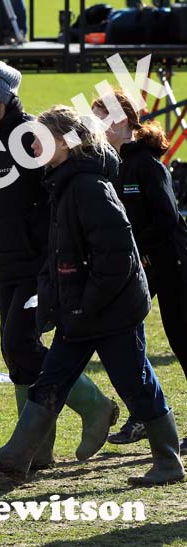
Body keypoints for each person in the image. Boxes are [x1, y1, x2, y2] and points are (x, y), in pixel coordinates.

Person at [0, 105, 184, 486]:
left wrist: (88, 302)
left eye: (39, 138)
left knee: (135, 383)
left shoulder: (88, 186)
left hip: (110, 308)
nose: (31, 144)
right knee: (51, 378)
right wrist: (55, 300)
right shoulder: (62, 181)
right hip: (82, 307)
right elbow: (60, 253)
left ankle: (168, 461)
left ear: (66, 141)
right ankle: (18, 455)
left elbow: (116, 255)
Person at [0, 61, 118, 468]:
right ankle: (38, 451)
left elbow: (68, 193)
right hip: (7, 268)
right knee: (18, 353)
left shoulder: (35, 138)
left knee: (20, 344)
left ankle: (93, 409)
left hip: (43, 268)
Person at [92, 90, 187, 451]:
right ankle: (144, 414)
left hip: (172, 262)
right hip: (141, 263)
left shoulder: (147, 163)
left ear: (119, 120)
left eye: (99, 116)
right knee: (121, 335)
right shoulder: (110, 163)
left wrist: (141, 249)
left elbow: (167, 219)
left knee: (182, 339)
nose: (94, 124)